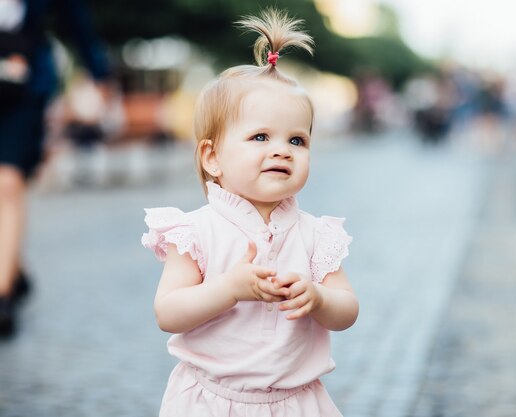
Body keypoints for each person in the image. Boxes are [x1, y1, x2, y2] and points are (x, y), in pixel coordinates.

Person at [141, 9, 359, 417]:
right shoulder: (195, 231)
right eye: (260, 136)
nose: (281, 149)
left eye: (297, 139)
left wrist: (319, 298)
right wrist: (229, 288)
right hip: (209, 401)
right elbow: (168, 313)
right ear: (213, 157)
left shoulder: (315, 235)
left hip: (295, 402)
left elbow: (347, 309)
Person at [0, 0, 111, 337]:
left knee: (7, 182)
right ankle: (12, 269)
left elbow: (74, 17)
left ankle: (2, 297)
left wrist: (99, 74)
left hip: (21, 86)